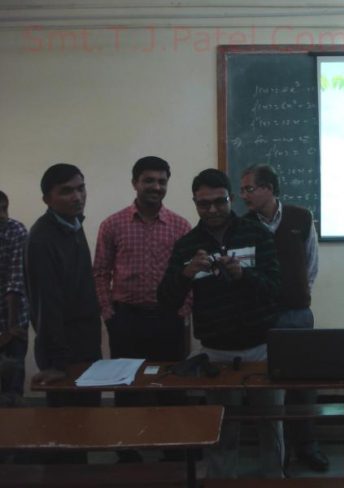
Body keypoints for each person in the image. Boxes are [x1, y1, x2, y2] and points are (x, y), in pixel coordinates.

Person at [157, 168, 283, 479]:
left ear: (231, 198)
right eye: (204, 204)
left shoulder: (257, 234)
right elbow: (166, 301)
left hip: (262, 349)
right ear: (195, 203)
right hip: (215, 353)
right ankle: (221, 481)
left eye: (219, 201)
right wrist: (186, 273)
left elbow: (276, 290)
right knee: (221, 428)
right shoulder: (187, 245)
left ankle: (274, 479)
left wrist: (243, 275)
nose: (212, 209)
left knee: (271, 426)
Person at [93, 156, 191, 463]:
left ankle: (172, 449)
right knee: (127, 388)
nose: (156, 186)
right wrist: (109, 314)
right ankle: (128, 450)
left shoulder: (180, 226)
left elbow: (190, 273)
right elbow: (100, 273)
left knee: (170, 389)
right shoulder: (112, 224)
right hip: (127, 320)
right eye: (149, 180)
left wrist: (183, 311)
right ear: (135, 183)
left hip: (167, 320)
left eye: (162, 181)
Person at [239, 164, 328, 472]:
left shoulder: (300, 218)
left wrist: (299, 294)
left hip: (297, 314)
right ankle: (278, 451)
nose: (244, 195)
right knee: (267, 386)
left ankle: (307, 445)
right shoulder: (244, 225)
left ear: (269, 189)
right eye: (242, 190)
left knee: (303, 384)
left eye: (249, 189)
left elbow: (311, 263)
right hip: (261, 315)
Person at [25, 164, 101, 463]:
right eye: (66, 191)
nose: (77, 196)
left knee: (86, 426)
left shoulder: (72, 224)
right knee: (66, 435)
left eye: (81, 188)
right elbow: (46, 305)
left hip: (85, 344)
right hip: (64, 354)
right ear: (47, 199)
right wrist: (57, 362)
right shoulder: (42, 239)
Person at [0, 191, 29, 405]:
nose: (3, 215)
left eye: (5, 208)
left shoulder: (16, 230)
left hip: (14, 317)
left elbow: (16, 280)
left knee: (13, 387)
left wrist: (10, 329)